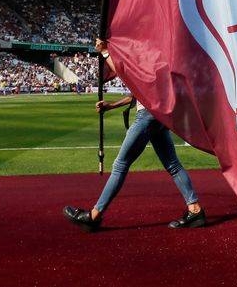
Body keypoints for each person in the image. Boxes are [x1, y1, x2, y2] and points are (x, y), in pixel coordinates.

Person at [63, 38, 206, 231]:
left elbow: (127, 75)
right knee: (172, 164)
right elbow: (139, 92)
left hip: (147, 115)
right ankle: (195, 209)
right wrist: (111, 106)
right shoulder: (160, 59)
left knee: (120, 165)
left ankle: (94, 215)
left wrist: (105, 52)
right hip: (158, 116)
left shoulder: (151, 58)